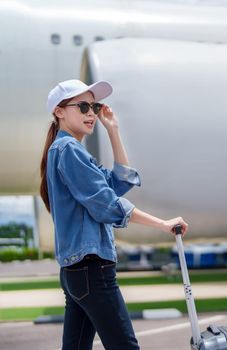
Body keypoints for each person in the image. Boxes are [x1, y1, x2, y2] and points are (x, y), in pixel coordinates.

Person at [39, 79, 189, 350]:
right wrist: (163, 224)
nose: (91, 113)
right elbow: (107, 204)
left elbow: (118, 183)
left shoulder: (69, 150)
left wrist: (113, 131)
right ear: (59, 112)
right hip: (91, 268)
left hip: (77, 270)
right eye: (83, 106)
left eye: (94, 106)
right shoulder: (68, 150)